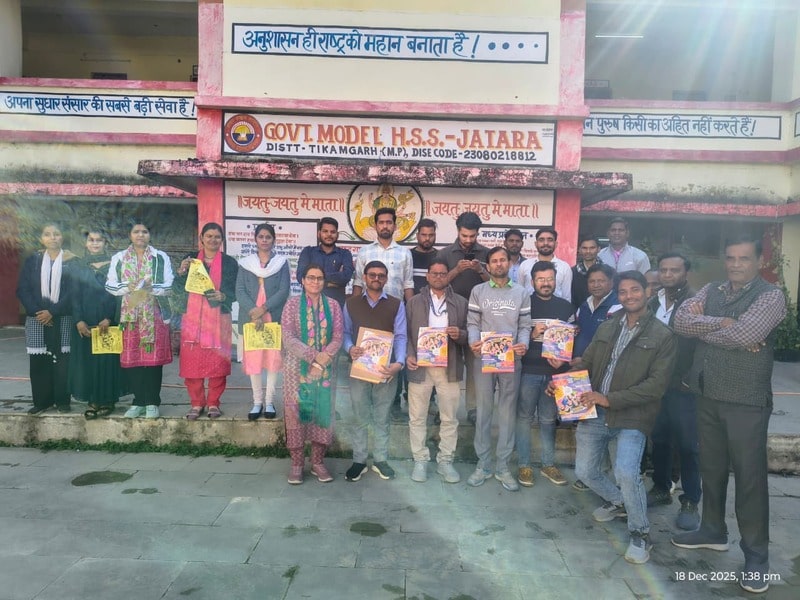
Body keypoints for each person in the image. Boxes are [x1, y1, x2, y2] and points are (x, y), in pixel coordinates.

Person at [671, 236, 786, 594]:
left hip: (746, 400)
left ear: (759, 261)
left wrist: (711, 329)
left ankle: (756, 556)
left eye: (744, 258)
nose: (736, 264)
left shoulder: (770, 296)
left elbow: (746, 333)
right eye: (731, 258)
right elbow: (680, 321)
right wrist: (724, 323)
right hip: (707, 394)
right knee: (712, 468)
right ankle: (712, 530)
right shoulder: (712, 289)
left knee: (750, 479)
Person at [568, 270, 676, 564]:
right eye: (624, 291)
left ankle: (640, 533)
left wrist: (610, 399)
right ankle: (619, 502)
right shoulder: (608, 325)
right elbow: (588, 361)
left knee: (627, 473)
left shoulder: (662, 335)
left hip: (633, 416)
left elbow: (656, 386)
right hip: (595, 412)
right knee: (585, 472)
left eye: (635, 290)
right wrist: (566, 372)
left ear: (647, 292)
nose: (629, 296)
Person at [466, 247, 531, 492]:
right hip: (484, 358)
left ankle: (503, 466)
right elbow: (473, 323)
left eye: (503, 260)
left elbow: (524, 325)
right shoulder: (478, 291)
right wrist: (474, 342)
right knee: (483, 411)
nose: (499, 264)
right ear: (488, 265)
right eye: (494, 261)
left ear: (509, 264)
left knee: (507, 413)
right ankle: (483, 464)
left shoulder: (521, 292)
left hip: (511, 359)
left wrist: (523, 344)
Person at [645, 252, 700, 530]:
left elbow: (703, 342)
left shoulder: (696, 302)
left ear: (685, 272)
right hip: (657, 384)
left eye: (674, 270)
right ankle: (660, 488)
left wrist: (692, 378)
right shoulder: (653, 301)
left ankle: (690, 500)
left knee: (688, 445)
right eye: (664, 270)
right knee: (660, 439)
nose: (668, 275)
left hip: (683, 386)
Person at [405, 258, 468, 484]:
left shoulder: (460, 302)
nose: (439, 277)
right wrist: (409, 354)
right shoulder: (414, 302)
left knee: (449, 417)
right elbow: (405, 333)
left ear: (448, 275)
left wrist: (460, 334)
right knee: (417, 417)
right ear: (427, 276)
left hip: (449, 367)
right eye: (434, 273)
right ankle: (420, 460)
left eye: (443, 273)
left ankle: (445, 461)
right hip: (421, 367)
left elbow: (470, 333)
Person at [343, 260, 407, 482]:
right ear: (364, 277)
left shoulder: (396, 304)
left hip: (385, 370)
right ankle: (359, 460)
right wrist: (349, 348)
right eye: (372, 275)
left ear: (386, 279)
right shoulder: (351, 304)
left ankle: (380, 459)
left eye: (381, 275)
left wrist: (399, 363)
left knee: (382, 416)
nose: (376, 278)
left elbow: (401, 336)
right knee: (359, 416)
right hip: (359, 368)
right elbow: (345, 333)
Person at [281, 264, 344, 485]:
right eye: (311, 277)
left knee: (322, 413)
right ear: (303, 280)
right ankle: (297, 464)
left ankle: (317, 462)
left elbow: (338, 336)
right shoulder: (291, 305)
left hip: (325, 371)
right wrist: (314, 357)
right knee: (296, 413)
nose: (315, 282)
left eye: (319, 278)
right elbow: (288, 338)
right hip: (296, 370)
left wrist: (324, 359)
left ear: (324, 282)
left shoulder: (333, 306)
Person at [106, 221, 174, 419]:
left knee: (153, 360)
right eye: (136, 231)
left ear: (150, 235)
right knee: (133, 359)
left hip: (154, 314)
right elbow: (110, 285)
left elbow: (169, 285)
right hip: (130, 315)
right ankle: (138, 401)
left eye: (145, 231)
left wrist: (152, 287)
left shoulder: (160, 257)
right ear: (130, 235)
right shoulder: (119, 258)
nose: (140, 235)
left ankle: (152, 401)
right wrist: (128, 286)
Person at [516, 262, 575, 488]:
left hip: (554, 374)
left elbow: (573, 340)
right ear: (532, 282)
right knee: (524, 418)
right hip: (528, 371)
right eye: (540, 279)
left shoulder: (566, 307)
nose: (546, 283)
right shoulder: (524, 304)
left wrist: (565, 360)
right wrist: (532, 334)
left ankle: (548, 464)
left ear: (556, 281)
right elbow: (512, 337)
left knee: (549, 419)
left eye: (550, 279)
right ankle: (524, 464)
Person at [174, 223, 238, 420]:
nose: (213, 240)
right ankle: (196, 403)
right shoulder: (191, 259)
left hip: (219, 318)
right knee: (192, 362)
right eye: (209, 236)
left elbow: (237, 290)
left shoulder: (229, 263)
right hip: (193, 318)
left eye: (217, 236)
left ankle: (213, 403)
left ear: (222, 240)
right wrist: (181, 272)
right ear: (201, 238)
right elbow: (177, 289)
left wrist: (224, 296)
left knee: (217, 362)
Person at [436, 211, 490, 425]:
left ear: (478, 233)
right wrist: (456, 270)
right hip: (448, 317)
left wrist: (481, 270)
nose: (468, 240)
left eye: (472, 236)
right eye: (464, 235)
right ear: (457, 231)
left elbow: (495, 284)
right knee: (447, 366)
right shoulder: (444, 254)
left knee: (475, 365)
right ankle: (444, 409)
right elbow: (438, 283)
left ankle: (473, 408)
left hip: (478, 318)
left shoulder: (486, 253)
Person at [570, 262, 620, 491]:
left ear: (611, 282)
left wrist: (585, 358)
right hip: (582, 373)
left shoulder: (617, 306)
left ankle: (607, 476)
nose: (596, 285)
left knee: (605, 424)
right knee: (587, 421)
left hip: (605, 373)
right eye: (592, 281)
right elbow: (577, 331)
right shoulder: (585, 305)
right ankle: (590, 473)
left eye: (601, 281)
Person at [17, 223, 76, 414]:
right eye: (47, 234)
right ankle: (42, 402)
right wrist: (39, 312)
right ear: (41, 238)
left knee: (63, 362)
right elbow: (23, 289)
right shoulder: (33, 261)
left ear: (62, 237)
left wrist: (53, 311)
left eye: (56, 234)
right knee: (39, 361)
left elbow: (74, 291)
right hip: (37, 318)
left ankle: (62, 401)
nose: (52, 238)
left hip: (63, 317)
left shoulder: (72, 260)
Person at [236, 223, 291, 420]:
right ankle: (257, 402)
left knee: (273, 360)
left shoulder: (281, 263)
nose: (265, 240)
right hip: (251, 319)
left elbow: (283, 291)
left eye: (268, 237)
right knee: (254, 360)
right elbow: (240, 290)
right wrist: (254, 312)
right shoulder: (246, 263)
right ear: (255, 239)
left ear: (274, 240)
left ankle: (269, 402)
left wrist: (263, 309)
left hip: (272, 317)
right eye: (261, 237)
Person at [69, 229, 124, 419]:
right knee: (89, 362)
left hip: (107, 321)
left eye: (99, 240)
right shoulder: (78, 266)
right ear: (86, 243)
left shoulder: (115, 265)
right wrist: (78, 320)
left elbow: (118, 294)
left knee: (107, 361)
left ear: (105, 243)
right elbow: (74, 295)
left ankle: (108, 400)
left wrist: (110, 318)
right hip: (86, 322)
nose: (95, 243)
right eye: (91, 240)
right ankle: (93, 400)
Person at [352, 207, 413, 301]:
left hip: (395, 307)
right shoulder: (364, 251)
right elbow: (358, 282)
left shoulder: (405, 253)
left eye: (389, 222)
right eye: (381, 222)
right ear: (375, 226)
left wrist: (411, 308)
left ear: (395, 226)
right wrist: (354, 306)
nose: (385, 226)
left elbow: (408, 284)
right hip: (368, 306)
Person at [295, 217, 354, 307]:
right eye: (325, 231)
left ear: (337, 235)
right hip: (309, 306)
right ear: (319, 234)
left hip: (336, 306)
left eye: (332, 232)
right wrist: (334, 280)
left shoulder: (345, 254)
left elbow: (346, 277)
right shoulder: (308, 252)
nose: (329, 234)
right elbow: (300, 277)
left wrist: (313, 277)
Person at [518, 227, 573, 302]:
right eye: (541, 240)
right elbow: (520, 293)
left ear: (556, 244)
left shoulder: (564, 267)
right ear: (536, 244)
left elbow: (566, 298)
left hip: (556, 308)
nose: (546, 243)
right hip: (529, 308)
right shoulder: (525, 265)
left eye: (550, 240)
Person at [571, 235, 603, 311]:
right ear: (579, 250)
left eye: (592, 248)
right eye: (584, 248)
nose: (588, 251)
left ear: (599, 249)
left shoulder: (608, 272)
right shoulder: (572, 272)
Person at [411, 218, 439, 294]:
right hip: (412, 300)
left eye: (431, 235)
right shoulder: (408, 255)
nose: (427, 238)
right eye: (424, 235)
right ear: (417, 236)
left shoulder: (440, 256)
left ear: (435, 236)